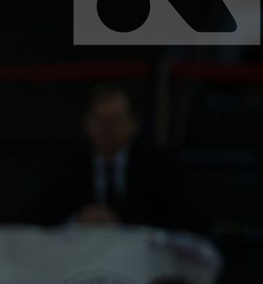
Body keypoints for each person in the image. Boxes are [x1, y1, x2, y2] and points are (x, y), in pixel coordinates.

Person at [46, 85, 181, 228]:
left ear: (132, 124)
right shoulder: (67, 165)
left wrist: (122, 220)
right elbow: (39, 215)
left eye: (115, 120)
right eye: (100, 120)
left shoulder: (158, 165)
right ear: (87, 123)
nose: (107, 128)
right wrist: (76, 220)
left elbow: (181, 217)